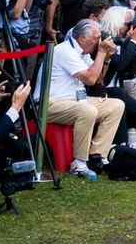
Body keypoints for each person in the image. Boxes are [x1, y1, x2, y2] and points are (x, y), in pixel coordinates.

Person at [46, 18, 127, 178]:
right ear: (82, 38)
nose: (99, 42)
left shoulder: (83, 53)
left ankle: (97, 156)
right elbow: (89, 79)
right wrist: (102, 53)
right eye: (97, 38)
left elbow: (97, 80)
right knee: (87, 110)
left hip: (75, 101)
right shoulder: (65, 51)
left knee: (116, 105)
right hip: (51, 104)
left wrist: (106, 59)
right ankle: (79, 162)